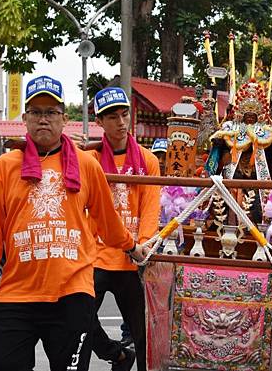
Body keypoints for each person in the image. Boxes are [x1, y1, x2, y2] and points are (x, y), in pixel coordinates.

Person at [0, 76, 145, 371]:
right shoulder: (5, 167)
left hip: (71, 295)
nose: (43, 119)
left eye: (51, 112)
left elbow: (107, 222)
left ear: (64, 119)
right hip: (15, 296)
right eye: (36, 112)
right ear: (25, 118)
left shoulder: (87, 165)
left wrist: (132, 246)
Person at [87, 87, 161, 371]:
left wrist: (143, 247)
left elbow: (150, 208)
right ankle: (117, 354)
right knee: (79, 321)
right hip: (96, 257)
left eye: (124, 114)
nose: (120, 122)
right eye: (112, 116)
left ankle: (135, 360)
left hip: (133, 258)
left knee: (143, 333)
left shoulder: (148, 160)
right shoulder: (89, 161)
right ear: (99, 122)